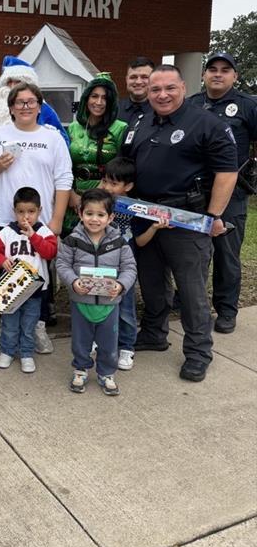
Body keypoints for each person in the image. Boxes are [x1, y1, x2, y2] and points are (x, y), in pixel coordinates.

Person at [121, 64, 238, 382]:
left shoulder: (206, 123)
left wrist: (213, 216)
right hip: (146, 215)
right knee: (152, 282)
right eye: (155, 89)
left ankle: (199, 352)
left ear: (184, 88)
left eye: (169, 88)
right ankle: (154, 334)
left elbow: (228, 173)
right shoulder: (141, 121)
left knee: (191, 290)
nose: (162, 94)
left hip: (187, 218)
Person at [0, 83, 73, 352]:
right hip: (5, 217)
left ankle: (37, 326)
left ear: (40, 107)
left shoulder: (52, 137)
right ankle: (8, 329)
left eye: (31, 102)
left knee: (38, 272)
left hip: (42, 220)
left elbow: (64, 178)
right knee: (10, 269)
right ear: (11, 108)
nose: (25, 106)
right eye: (19, 102)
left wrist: (57, 220)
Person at [188, 52, 257, 333]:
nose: (218, 74)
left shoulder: (248, 105)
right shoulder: (192, 104)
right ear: (204, 75)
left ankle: (226, 310)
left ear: (235, 76)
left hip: (231, 193)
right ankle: (186, 301)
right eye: (212, 69)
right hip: (194, 191)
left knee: (226, 254)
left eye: (225, 70)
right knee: (191, 252)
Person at [56, 189, 137, 396]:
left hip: (110, 303)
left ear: (110, 217)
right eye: (89, 214)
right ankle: (81, 369)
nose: (94, 219)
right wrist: (73, 281)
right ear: (80, 213)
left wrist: (121, 285)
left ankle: (106, 373)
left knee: (109, 343)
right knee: (80, 341)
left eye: (100, 215)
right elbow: (62, 264)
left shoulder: (119, 243)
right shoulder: (72, 241)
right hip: (81, 301)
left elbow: (130, 268)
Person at [99, 157, 172, 370]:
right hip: (102, 263)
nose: (107, 187)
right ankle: (100, 341)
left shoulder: (137, 209)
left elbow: (139, 241)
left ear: (128, 186)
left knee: (125, 308)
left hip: (125, 267)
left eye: (113, 183)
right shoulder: (99, 203)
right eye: (105, 181)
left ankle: (126, 348)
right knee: (100, 303)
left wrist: (154, 228)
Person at [0, 187, 58, 374]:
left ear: (39, 211)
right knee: (10, 321)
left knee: (29, 323)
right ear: (15, 211)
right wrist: (2, 260)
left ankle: (27, 353)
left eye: (31, 212)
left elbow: (50, 252)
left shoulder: (44, 232)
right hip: (11, 287)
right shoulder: (7, 232)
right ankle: (7, 350)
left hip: (34, 289)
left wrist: (33, 237)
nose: (26, 217)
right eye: (21, 212)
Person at [66, 74, 128, 228]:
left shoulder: (120, 128)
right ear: (86, 98)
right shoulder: (73, 127)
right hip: (73, 196)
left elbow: (121, 166)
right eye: (94, 96)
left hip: (104, 196)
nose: (99, 102)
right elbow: (64, 165)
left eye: (105, 98)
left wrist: (93, 197)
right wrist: (71, 195)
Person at [0, 55, 69, 146]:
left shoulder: (43, 109)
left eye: (18, 82)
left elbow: (63, 142)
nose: (13, 86)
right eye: (9, 82)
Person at [117, 57, 155, 124]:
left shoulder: (160, 112)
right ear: (126, 80)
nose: (138, 82)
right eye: (133, 77)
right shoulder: (114, 109)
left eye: (144, 77)